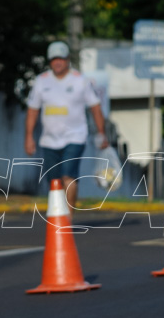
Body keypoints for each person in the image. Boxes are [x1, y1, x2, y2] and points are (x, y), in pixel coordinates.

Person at [24, 41, 108, 207]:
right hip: (49, 140)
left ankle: (67, 219)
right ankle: (59, 215)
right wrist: (29, 137)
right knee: (55, 182)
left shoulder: (80, 80)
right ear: (49, 62)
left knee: (68, 176)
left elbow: (96, 107)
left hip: (75, 136)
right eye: (54, 59)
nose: (57, 62)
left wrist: (101, 132)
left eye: (61, 58)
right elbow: (33, 110)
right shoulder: (41, 81)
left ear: (67, 59)